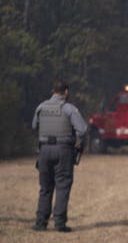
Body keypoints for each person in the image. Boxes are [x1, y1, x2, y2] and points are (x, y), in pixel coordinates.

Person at [32, 82, 88, 232]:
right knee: (62, 186)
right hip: (63, 150)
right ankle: (59, 223)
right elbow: (82, 130)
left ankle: (40, 223)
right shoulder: (69, 109)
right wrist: (78, 144)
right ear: (66, 92)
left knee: (45, 187)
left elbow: (34, 126)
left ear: (53, 91)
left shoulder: (41, 107)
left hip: (44, 150)